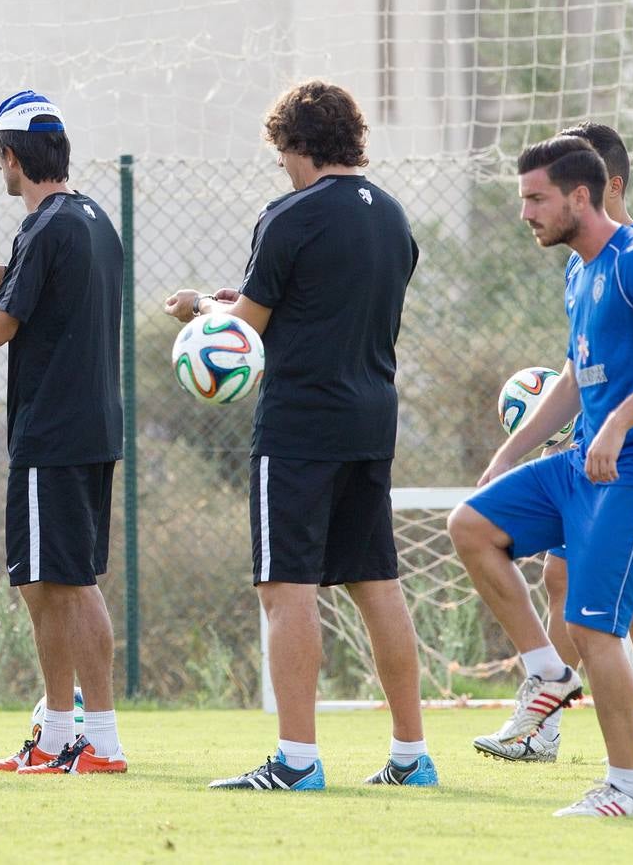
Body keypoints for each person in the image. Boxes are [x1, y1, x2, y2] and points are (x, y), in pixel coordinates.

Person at [165, 81, 434, 791]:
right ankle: (410, 755)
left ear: (295, 145)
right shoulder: (393, 217)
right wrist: (238, 305)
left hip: (300, 424)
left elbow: (245, 328)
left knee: (285, 588)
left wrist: (198, 309)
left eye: (281, 152)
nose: (280, 165)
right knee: (376, 584)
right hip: (371, 416)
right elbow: (313, 306)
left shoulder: (287, 215)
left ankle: (296, 760)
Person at [450, 135, 633, 818]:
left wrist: (619, 422)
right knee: (470, 524)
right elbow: (571, 378)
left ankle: (626, 788)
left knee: (594, 625)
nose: (524, 212)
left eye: (535, 198)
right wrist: (510, 453)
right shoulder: (575, 270)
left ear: (580, 196)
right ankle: (545, 670)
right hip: (582, 464)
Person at [0, 90, 126, 775]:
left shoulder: (43, 227)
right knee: (60, 582)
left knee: (54, 582)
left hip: (51, 431)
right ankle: (78, 736)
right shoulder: (93, 219)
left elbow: (0, 330)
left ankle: (78, 736)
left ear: (11, 156)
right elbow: (56, 285)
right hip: (94, 426)